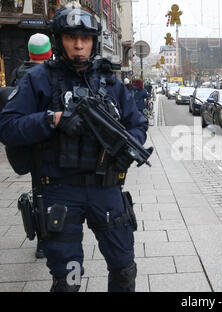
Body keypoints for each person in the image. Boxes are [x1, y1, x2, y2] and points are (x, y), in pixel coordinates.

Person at [0, 3, 148, 292]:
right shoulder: (38, 79)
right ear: (59, 40)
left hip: (106, 189)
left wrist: (128, 148)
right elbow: (8, 127)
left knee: (124, 270)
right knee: (69, 280)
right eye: (71, 38)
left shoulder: (110, 81)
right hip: (59, 192)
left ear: (93, 42)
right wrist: (52, 119)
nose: (78, 45)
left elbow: (138, 124)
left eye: (85, 39)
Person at [9, 33, 53, 259]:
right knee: (50, 191)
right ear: (49, 53)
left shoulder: (16, 74)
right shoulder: (48, 74)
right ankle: (48, 238)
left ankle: (40, 240)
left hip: (27, 142)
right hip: (48, 141)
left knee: (38, 189)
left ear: (29, 53)